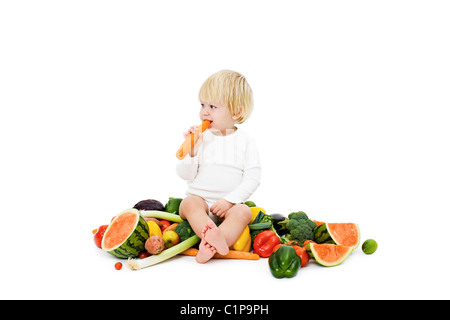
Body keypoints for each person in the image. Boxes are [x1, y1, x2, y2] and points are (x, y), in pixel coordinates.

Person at [176, 70, 261, 263]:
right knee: (188, 204)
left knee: (244, 212)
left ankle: (212, 244)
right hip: (199, 201)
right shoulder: (201, 138)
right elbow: (185, 175)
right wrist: (192, 152)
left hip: (228, 206)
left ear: (236, 112)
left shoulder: (246, 141)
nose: (204, 111)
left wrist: (230, 200)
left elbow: (253, 178)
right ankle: (215, 241)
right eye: (202, 105)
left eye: (212, 106)